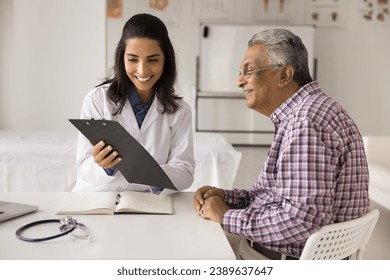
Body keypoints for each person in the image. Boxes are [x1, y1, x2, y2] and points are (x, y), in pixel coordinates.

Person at [193, 29, 369, 259]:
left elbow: (302, 220)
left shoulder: (304, 123)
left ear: (284, 75)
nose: (239, 81)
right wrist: (226, 197)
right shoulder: (311, 111)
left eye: (248, 70)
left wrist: (227, 217)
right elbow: (269, 196)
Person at [73, 13, 195, 193]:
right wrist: (105, 166)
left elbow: (185, 171)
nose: (142, 70)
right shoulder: (97, 100)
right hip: (99, 200)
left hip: (148, 204)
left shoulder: (180, 110)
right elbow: (84, 168)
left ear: (165, 60)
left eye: (152, 59)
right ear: (122, 59)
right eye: (133, 59)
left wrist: (152, 175)